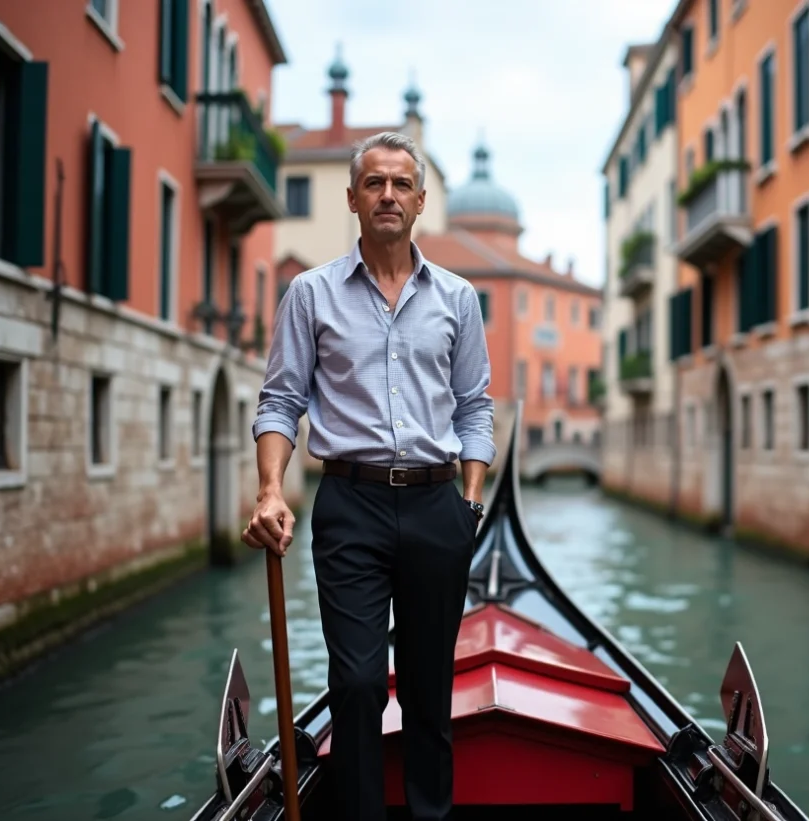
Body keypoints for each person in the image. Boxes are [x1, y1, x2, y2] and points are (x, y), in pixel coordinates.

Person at [242, 130, 495, 821]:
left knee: (427, 689)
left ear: (420, 201)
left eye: (401, 183)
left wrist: (470, 501)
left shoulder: (458, 298)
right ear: (353, 199)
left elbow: (474, 406)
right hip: (349, 503)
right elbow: (280, 401)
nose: (388, 194)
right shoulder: (310, 293)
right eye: (374, 183)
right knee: (356, 684)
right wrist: (271, 489)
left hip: (438, 504)